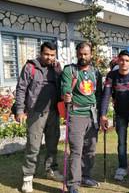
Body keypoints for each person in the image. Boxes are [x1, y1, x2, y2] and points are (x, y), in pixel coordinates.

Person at [15, 42, 63, 193]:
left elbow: (62, 86)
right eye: (46, 54)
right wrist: (20, 110)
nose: (49, 57)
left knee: (52, 145)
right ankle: (28, 178)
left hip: (53, 112)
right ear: (40, 53)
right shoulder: (30, 67)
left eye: (52, 55)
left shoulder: (56, 68)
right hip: (35, 113)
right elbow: (21, 88)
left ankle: (51, 170)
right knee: (33, 147)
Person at [61, 42, 102, 193]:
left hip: (92, 115)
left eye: (86, 54)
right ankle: (73, 184)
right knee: (76, 150)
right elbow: (65, 87)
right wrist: (66, 95)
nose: (83, 57)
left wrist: (101, 114)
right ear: (77, 54)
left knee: (90, 149)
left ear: (91, 54)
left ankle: (85, 176)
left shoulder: (96, 72)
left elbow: (99, 94)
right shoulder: (70, 70)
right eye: (80, 54)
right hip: (76, 114)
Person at [100, 50, 129, 181]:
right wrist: (103, 115)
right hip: (120, 114)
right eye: (122, 60)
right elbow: (106, 96)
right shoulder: (111, 75)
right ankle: (122, 167)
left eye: (127, 60)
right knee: (121, 142)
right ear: (118, 61)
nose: (124, 63)